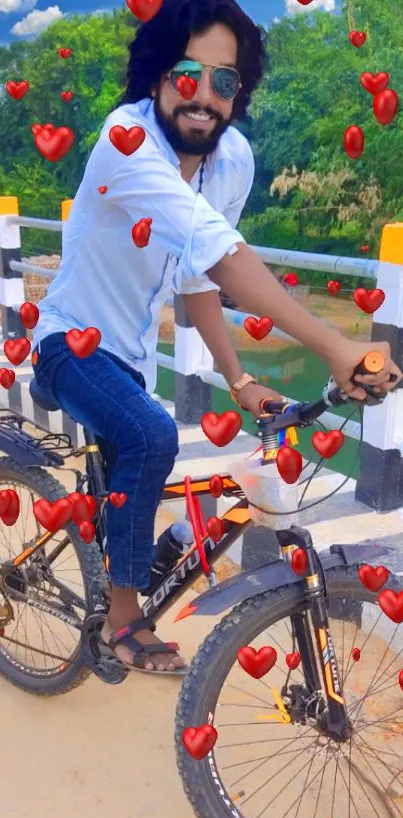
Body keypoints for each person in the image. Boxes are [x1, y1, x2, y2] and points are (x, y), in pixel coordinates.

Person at [31, 0, 402, 675]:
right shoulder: (126, 141)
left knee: (139, 465)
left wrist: (240, 379)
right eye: (187, 74)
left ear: (240, 92)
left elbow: (201, 276)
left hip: (133, 361)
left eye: (225, 81)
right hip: (68, 345)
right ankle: (122, 619)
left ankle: (130, 569)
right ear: (155, 78)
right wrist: (335, 346)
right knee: (150, 435)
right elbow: (226, 255)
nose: (205, 96)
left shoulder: (229, 160)